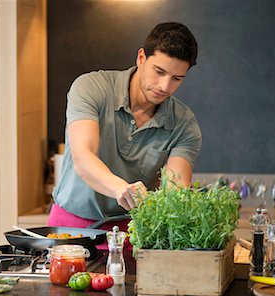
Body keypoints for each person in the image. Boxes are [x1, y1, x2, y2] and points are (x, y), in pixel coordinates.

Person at [48, 22, 202, 236]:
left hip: (132, 232)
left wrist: (176, 206)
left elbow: (175, 192)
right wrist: (120, 188)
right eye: (159, 72)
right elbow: (83, 158)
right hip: (71, 226)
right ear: (141, 58)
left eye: (177, 79)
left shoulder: (184, 124)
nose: (165, 86)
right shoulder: (91, 88)